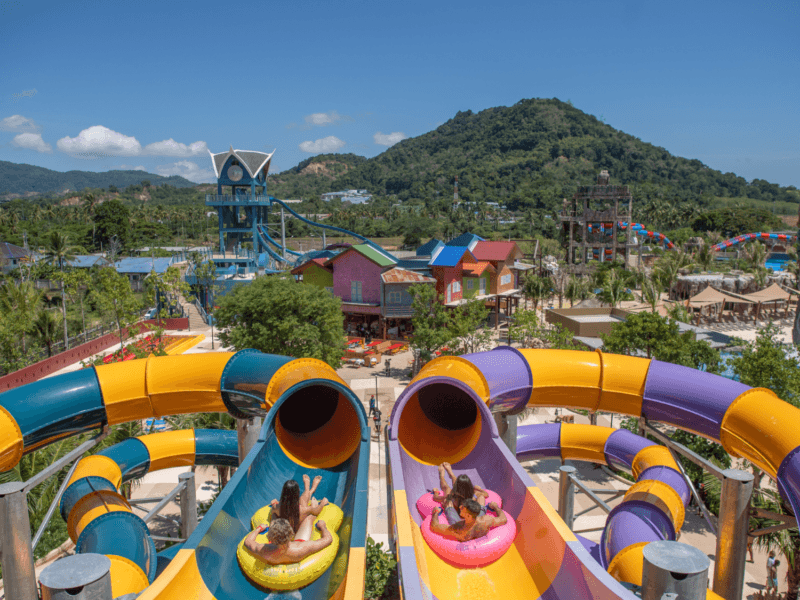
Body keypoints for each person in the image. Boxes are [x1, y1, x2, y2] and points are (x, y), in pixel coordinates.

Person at [244, 517, 332, 565]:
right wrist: (322, 527)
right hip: (296, 547)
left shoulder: (263, 549)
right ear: (291, 535)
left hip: (274, 552)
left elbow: (247, 541)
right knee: (309, 518)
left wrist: (258, 529)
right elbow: (328, 539)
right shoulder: (303, 547)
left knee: (273, 517)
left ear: (270, 538)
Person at [430, 498, 507, 542]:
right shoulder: (487, 520)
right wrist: (496, 507)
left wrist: (435, 512)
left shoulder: (458, 528)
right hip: (476, 521)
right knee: (481, 498)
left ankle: (448, 507)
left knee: (448, 503)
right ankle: (483, 503)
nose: (460, 507)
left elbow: (434, 527)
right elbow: (503, 519)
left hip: (465, 525)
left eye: (462, 508)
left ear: (468, 515)